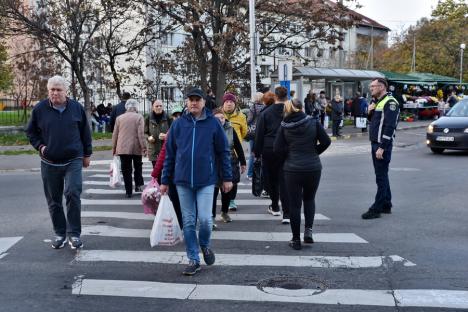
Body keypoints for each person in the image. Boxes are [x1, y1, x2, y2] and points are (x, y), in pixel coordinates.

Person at [160, 87, 233, 276]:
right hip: (182, 181)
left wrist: (227, 177)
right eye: (190, 99)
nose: (193, 102)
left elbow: (223, 151)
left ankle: (205, 245)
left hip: (206, 180)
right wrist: (165, 180)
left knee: (206, 220)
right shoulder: (178, 124)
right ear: (186, 102)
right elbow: (170, 154)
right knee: (189, 222)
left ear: (203, 102)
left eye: (197, 100)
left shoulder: (213, 124)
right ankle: (193, 258)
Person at [26, 75, 92, 250]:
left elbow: (85, 132)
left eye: (58, 89)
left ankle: (74, 234)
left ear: (66, 91)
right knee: (54, 200)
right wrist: (40, 147)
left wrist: (87, 154)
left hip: (73, 159)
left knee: (72, 193)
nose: (55, 93)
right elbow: (31, 132)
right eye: (52, 90)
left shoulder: (76, 108)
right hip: (49, 161)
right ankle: (60, 233)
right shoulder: (40, 109)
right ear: (48, 91)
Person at [274, 99, 331, 250]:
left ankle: (295, 239)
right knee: (309, 199)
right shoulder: (313, 122)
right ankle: (308, 231)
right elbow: (326, 141)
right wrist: (314, 153)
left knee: (294, 204)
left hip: (292, 169)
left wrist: (289, 156)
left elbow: (277, 149)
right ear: (301, 108)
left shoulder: (284, 126)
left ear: (287, 110)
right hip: (313, 167)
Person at [362, 78, 400, 220]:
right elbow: (373, 122)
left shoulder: (390, 103)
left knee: (380, 177)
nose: (371, 89)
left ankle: (376, 209)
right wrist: (369, 111)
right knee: (382, 174)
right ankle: (386, 204)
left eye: (373, 86)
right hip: (376, 143)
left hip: (381, 145)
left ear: (382, 87)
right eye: (370, 86)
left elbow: (390, 127)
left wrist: (382, 147)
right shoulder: (377, 102)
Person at [254, 86, 290, 223]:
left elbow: (259, 134)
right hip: (287, 148)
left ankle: (275, 207)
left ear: (275, 96)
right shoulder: (290, 111)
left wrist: (257, 152)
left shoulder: (266, 112)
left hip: (269, 149)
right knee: (285, 181)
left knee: (273, 180)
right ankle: (287, 214)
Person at [151, 106, 184, 229]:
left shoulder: (191, 130)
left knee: (185, 203)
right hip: (173, 173)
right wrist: (155, 173)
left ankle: (185, 225)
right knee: (175, 201)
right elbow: (164, 153)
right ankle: (180, 226)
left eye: (180, 115)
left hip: (185, 173)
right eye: (175, 116)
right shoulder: (172, 132)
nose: (178, 118)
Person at [211, 108, 246, 224]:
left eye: (222, 117)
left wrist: (243, 162)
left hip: (229, 162)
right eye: (217, 118)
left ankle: (224, 212)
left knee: (226, 190)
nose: (220, 120)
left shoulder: (230, 129)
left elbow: (238, 146)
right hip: (214, 164)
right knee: (213, 192)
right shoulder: (208, 130)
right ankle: (211, 217)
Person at [112, 99, 146, 198]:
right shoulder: (139, 117)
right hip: (136, 147)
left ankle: (128, 191)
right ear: (136, 107)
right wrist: (144, 147)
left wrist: (113, 147)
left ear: (126, 107)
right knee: (138, 167)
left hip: (122, 148)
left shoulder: (119, 118)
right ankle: (138, 186)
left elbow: (115, 134)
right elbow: (141, 134)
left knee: (126, 169)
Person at [222, 92, 247, 212]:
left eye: (231, 102)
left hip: (234, 152)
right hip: (219, 154)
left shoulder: (241, 116)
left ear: (234, 104)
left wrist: (236, 139)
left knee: (234, 178)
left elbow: (244, 132)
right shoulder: (218, 115)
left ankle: (232, 200)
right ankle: (224, 200)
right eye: (226, 102)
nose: (228, 104)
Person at [145, 99, 171, 167]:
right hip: (153, 149)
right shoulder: (148, 118)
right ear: (153, 107)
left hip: (165, 149)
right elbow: (144, 133)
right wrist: (148, 137)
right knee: (156, 171)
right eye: (157, 106)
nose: (159, 107)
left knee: (165, 170)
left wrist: (166, 136)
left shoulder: (168, 117)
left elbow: (173, 132)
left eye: (160, 106)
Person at [246, 92, 265, 180]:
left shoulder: (252, 107)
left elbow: (249, 120)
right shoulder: (265, 107)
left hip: (253, 133)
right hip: (262, 132)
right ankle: (261, 173)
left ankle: (250, 174)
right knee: (261, 154)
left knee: (252, 154)